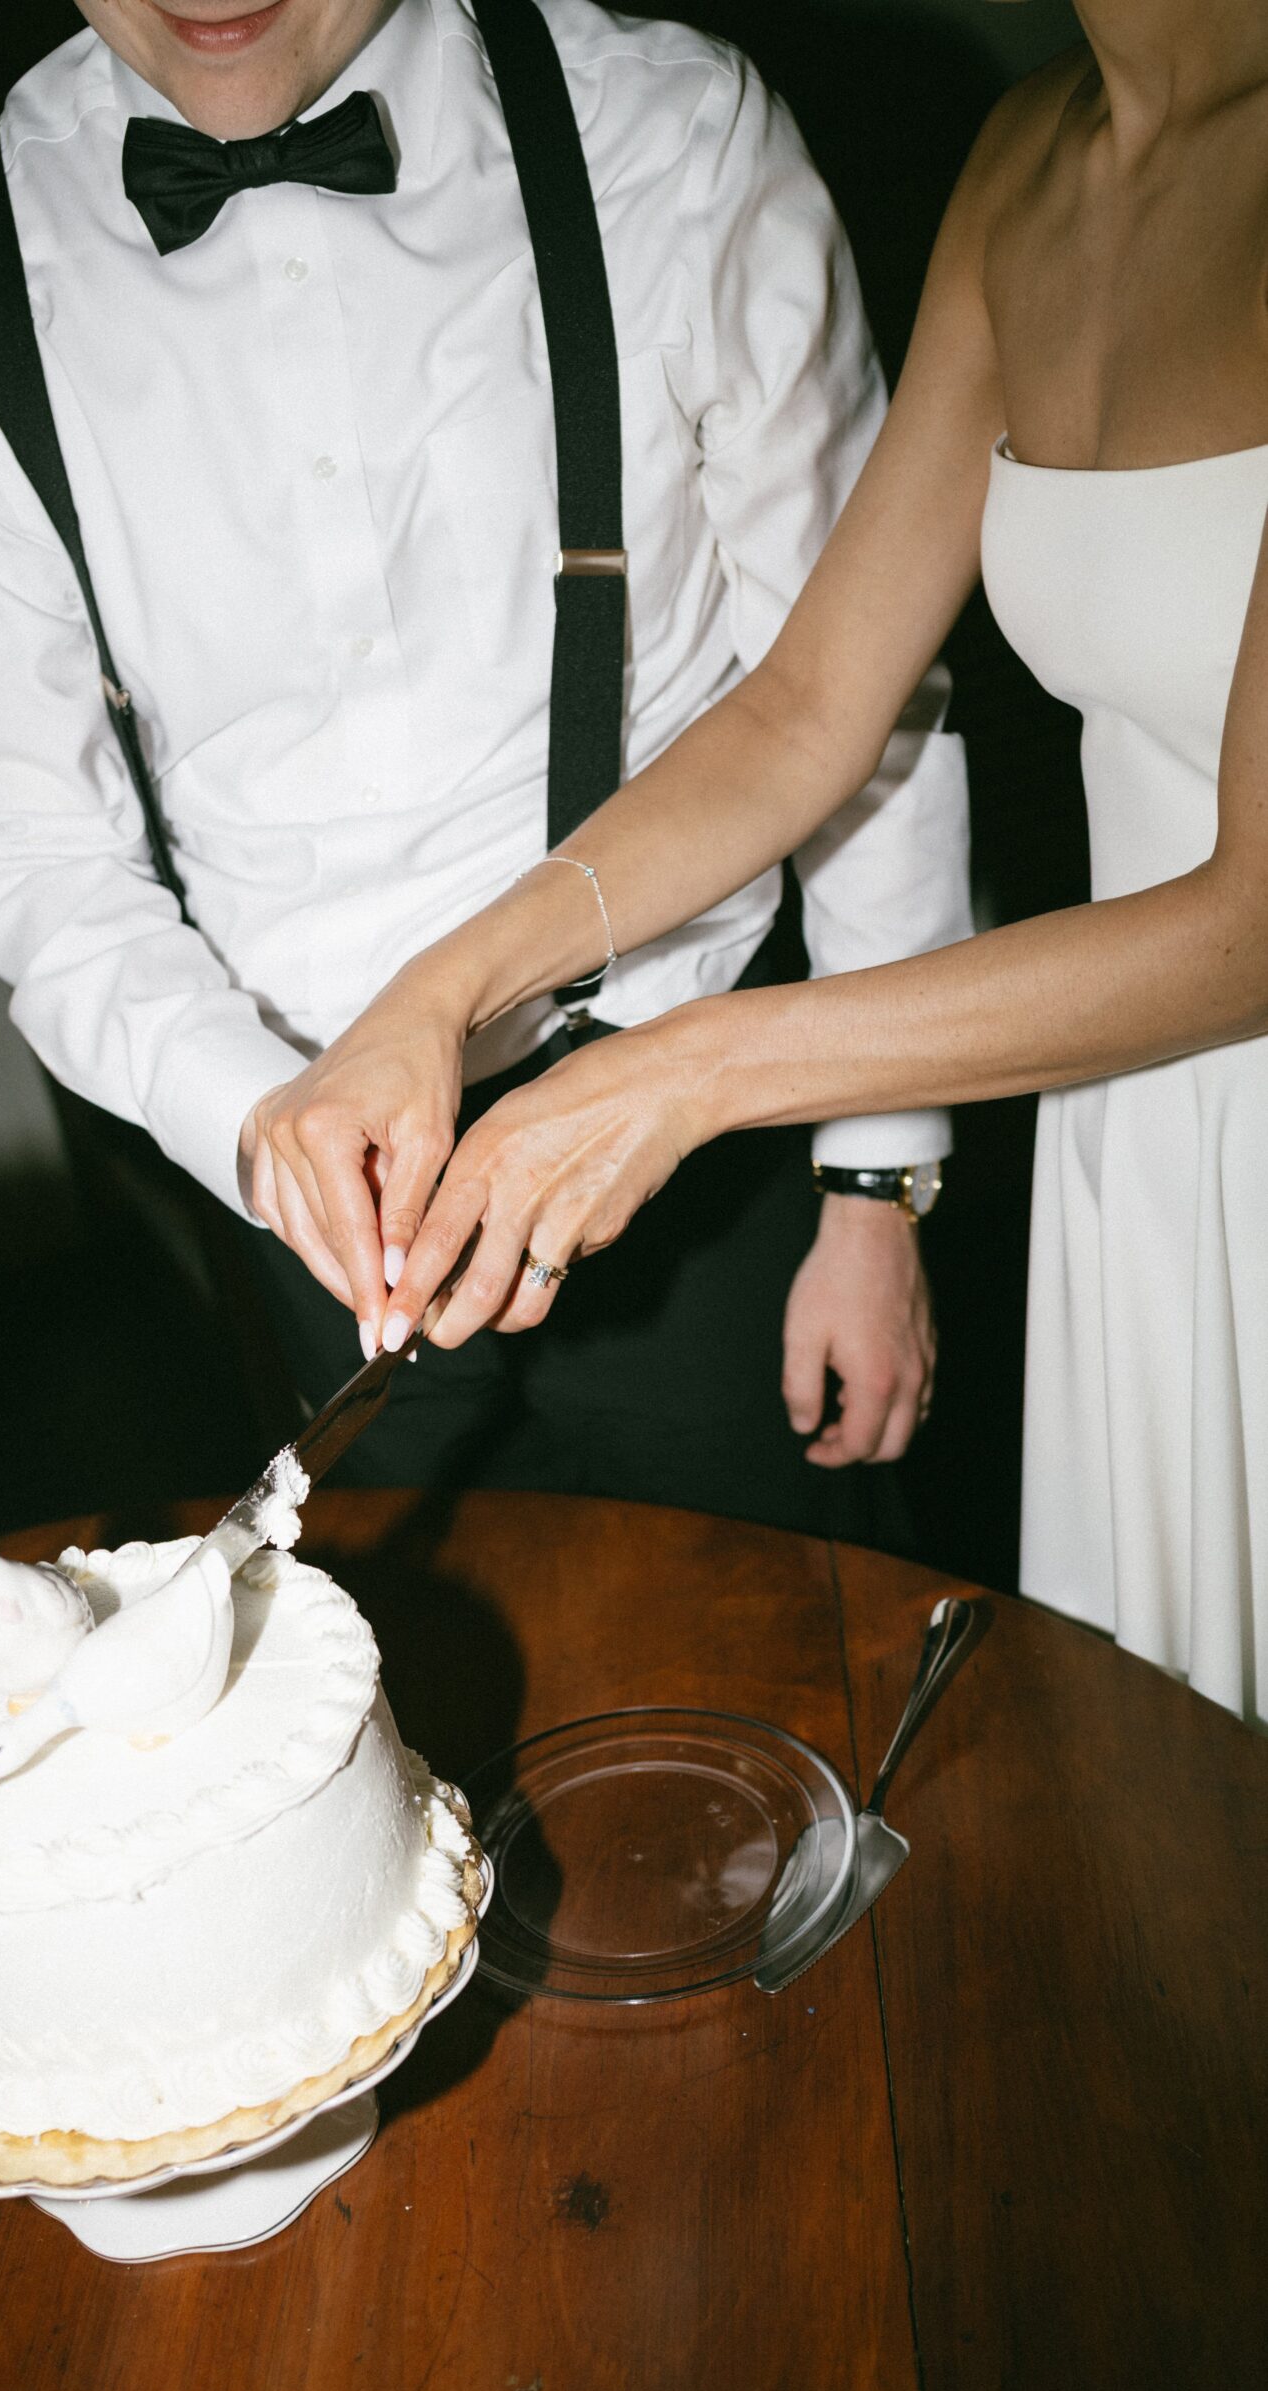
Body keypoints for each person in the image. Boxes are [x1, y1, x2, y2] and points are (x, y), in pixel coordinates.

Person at [255, 0, 1268, 1720]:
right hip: (1132, 1120)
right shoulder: (1030, 154)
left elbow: (1254, 924)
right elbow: (807, 706)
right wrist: (439, 997)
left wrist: (688, 1073)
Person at [0, 0, 971, 1536]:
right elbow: (21, 837)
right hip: (305, 1217)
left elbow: (855, 692)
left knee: (818, 1691)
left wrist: (876, 1179)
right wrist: (255, 1121)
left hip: (721, 1144)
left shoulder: (672, 128)